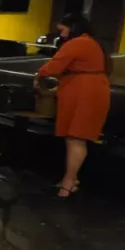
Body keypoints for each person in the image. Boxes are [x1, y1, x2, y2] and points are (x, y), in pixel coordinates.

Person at [34, 13, 111, 198]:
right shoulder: (90, 43)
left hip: (86, 94)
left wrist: (38, 76)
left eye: (63, 30)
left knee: (76, 137)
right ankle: (70, 179)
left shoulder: (79, 43)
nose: (61, 35)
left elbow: (53, 67)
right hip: (84, 91)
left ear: (73, 26)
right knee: (73, 137)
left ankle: (68, 182)